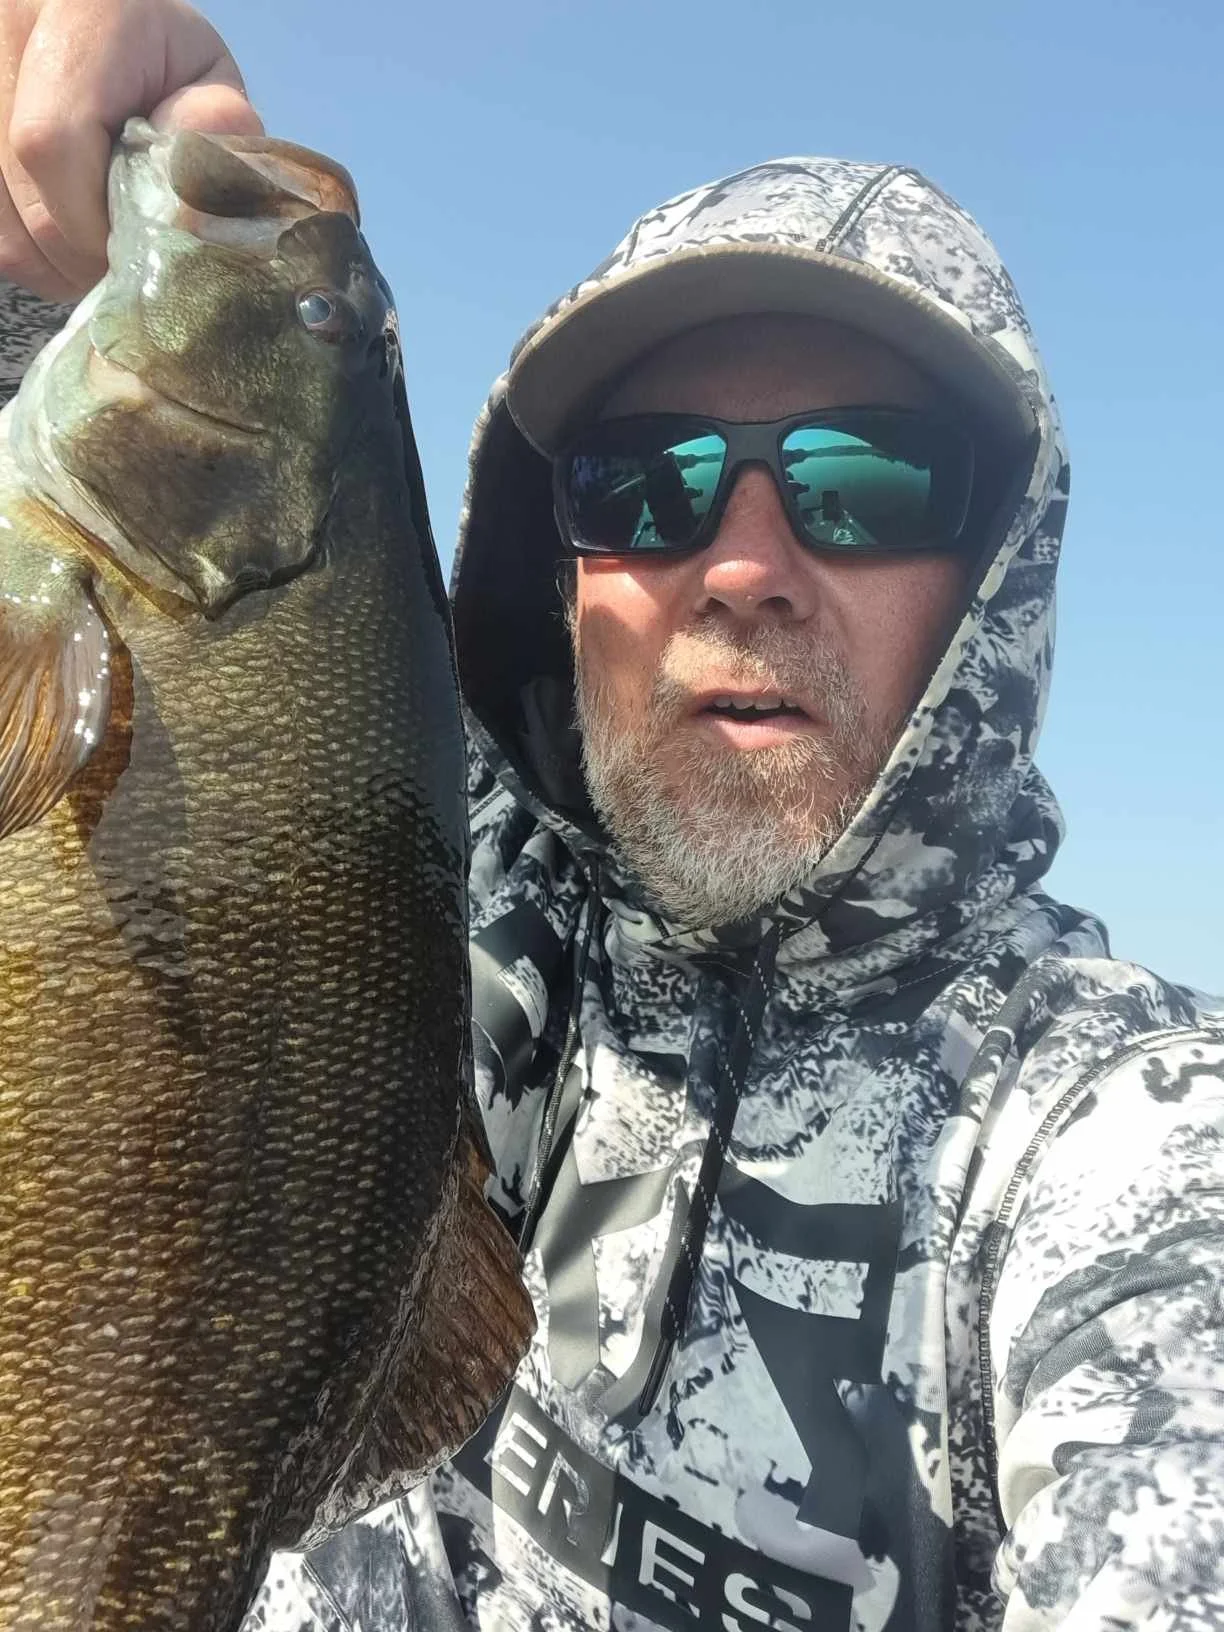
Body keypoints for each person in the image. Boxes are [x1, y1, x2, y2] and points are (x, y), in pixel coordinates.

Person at [2, 6, 1223, 1630]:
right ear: (561, 568)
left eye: (867, 481)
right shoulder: (457, 908)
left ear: (996, 568)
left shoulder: (1123, 1148)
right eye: (647, 485)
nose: (743, 565)